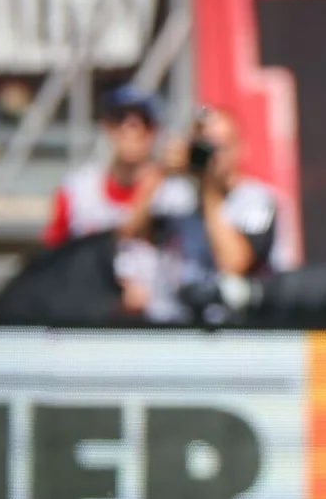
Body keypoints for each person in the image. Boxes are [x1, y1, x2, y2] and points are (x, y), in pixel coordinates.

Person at [119, 106, 285, 323]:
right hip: (171, 323)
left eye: (219, 146)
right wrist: (160, 170)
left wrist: (208, 187)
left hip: (232, 326)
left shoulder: (256, 200)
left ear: (238, 148)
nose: (212, 155)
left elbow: (234, 263)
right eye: (203, 146)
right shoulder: (174, 194)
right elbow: (129, 233)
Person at [41, 85, 161, 247]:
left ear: (155, 130)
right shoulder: (77, 189)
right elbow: (52, 251)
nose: (130, 128)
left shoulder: (177, 193)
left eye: (144, 120)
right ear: (106, 127)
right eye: (119, 118)